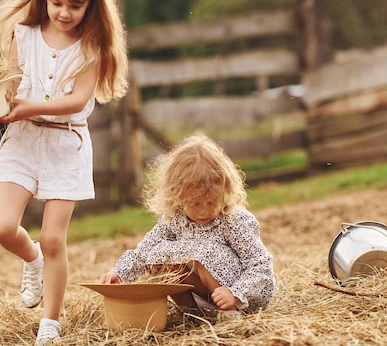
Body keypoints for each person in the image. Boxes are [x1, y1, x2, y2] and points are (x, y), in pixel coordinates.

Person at [0, 0, 128, 345]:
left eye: (76, 5)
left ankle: (50, 323)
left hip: (65, 146)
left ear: (92, 4)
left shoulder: (92, 47)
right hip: (22, 140)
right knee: (1, 227)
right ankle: (31, 260)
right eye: (56, 3)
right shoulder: (24, 34)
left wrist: (32, 106)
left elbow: (78, 100)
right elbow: (10, 90)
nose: (64, 13)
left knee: (55, 238)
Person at [99, 134, 275, 314]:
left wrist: (236, 294)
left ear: (225, 190)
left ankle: (228, 313)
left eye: (211, 202)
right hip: (204, 294)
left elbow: (260, 265)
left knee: (204, 253)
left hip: (241, 297)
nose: (203, 211)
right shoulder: (174, 218)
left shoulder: (234, 220)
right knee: (158, 258)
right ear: (177, 196)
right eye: (195, 203)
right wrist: (119, 273)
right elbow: (144, 251)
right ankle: (192, 313)